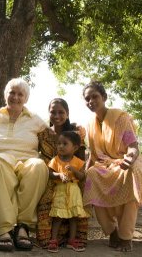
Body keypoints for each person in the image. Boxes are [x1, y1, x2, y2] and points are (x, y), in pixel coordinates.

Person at [82, 81, 142, 252]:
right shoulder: (89, 124)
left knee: (131, 174)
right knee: (92, 176)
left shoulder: (120, 118)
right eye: (87, 99)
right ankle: (112, 231)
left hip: (128, 161)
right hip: (105, 165)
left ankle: (126, 236)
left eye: (95, 97)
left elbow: (133, 146)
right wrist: (85, 171)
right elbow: (93, 154)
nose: (91, 101)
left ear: (104, 97)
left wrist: (130, 158)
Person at [0, 78, 49, 252]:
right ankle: (4, 229)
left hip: (26, 162)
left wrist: (75, 128)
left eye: (20, 94)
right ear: (5, 95)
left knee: (39, 165)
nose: (15, 97)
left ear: (26, 98)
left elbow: (55, 134)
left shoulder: (36, 120)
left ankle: (23, 226)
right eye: (12, 92)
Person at [36, 98, 89, 248]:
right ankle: (49, 237)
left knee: (82, 186)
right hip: (50, 175)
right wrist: (56, 174)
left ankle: (76, 237)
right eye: (53, 112)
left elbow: (81, 161)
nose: (57, 115)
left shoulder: (75, 133)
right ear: (48, 113)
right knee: (47, 192)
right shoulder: (43, 134)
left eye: (61, 112)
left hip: (72, 177)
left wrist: (74, 174)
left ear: (67, 114)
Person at [47, 131, 89, 253]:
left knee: (74, 217)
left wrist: (74, 170)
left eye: (65, 144)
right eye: (59, 143)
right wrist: (59, 175)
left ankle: (72, 240)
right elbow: (50, 173)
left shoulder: (78, 161)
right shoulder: (55, 160)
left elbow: (81, 176)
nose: (60, 146)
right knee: (58, 217)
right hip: (60, 190)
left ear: (75, 147)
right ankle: (53, 240)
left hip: (74, 190)